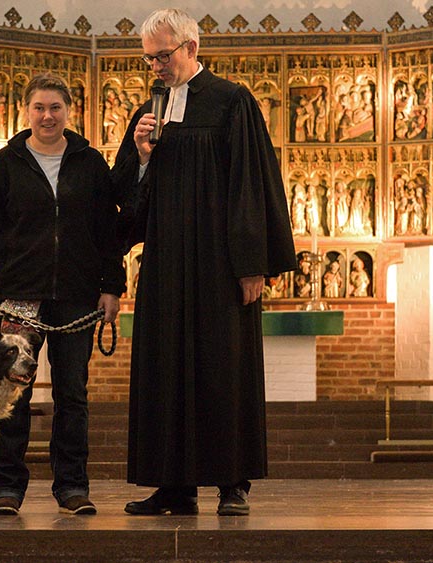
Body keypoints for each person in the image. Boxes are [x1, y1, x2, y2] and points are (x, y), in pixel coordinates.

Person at [111, 9, 297, 517]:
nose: (156, 67)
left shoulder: (232, 101)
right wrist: (143, 154)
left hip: (219, 266)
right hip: (167, 264)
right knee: (164, 369)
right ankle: (173, 487)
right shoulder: (147, 114)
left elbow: (252, 187)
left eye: (163, 56)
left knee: (223, 368)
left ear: (192, 47)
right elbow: (128, 201)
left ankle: (232, 483)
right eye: (148, 58)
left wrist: (251, 263)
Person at [0, 73, 124, 517]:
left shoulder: (90, 164)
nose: (47, 116)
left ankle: (72, 487)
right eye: (39, 108)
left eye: (55, 108)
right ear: (26, 112)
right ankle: (6, 488)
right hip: (20, 295)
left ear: (70, 112)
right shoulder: (6, 164)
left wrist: (111, 288)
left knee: (73, 393)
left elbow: (108, 233)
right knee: (11, 395)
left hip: (76, 298)